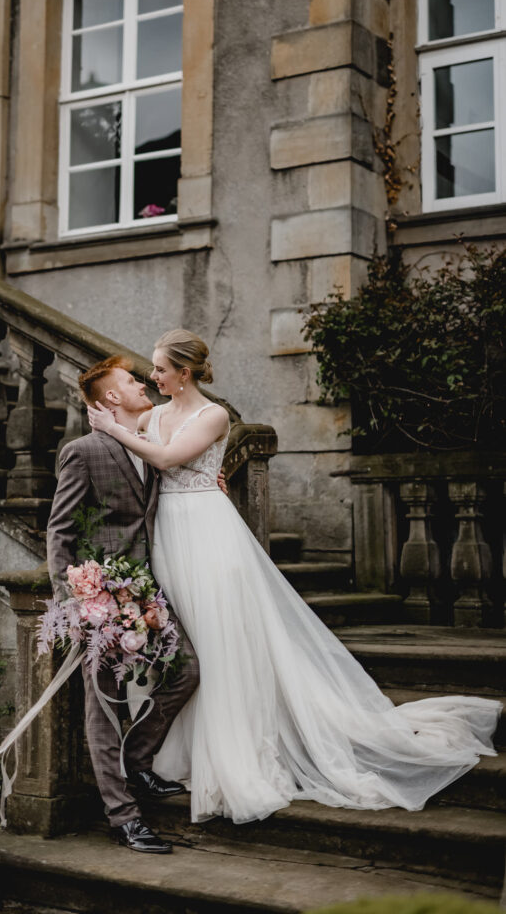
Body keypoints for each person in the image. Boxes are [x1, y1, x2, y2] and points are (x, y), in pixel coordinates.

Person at [87, 328, 502, 825]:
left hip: (208, 535)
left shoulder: (213, 414)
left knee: (223, 641)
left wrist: (117, 431)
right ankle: (185, 751)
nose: (151, 376)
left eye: (158, 368)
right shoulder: (153, 414)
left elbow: (170, 459)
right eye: (150, 370)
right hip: (166, 537)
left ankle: (236, 750)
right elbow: (138, 456)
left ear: (185, 373)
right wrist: (111, 421)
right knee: (187, 643)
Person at [47, 355, 200, 854]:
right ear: (111, 397)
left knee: (186, 671)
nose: (142, 385)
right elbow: (61, 531)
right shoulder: (83, 451)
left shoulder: (150, 444)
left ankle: (137, 761)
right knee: (105, 704)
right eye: (132, 381)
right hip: (102, 597)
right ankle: (123, 816)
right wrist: (73, 602)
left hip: (149, 590)